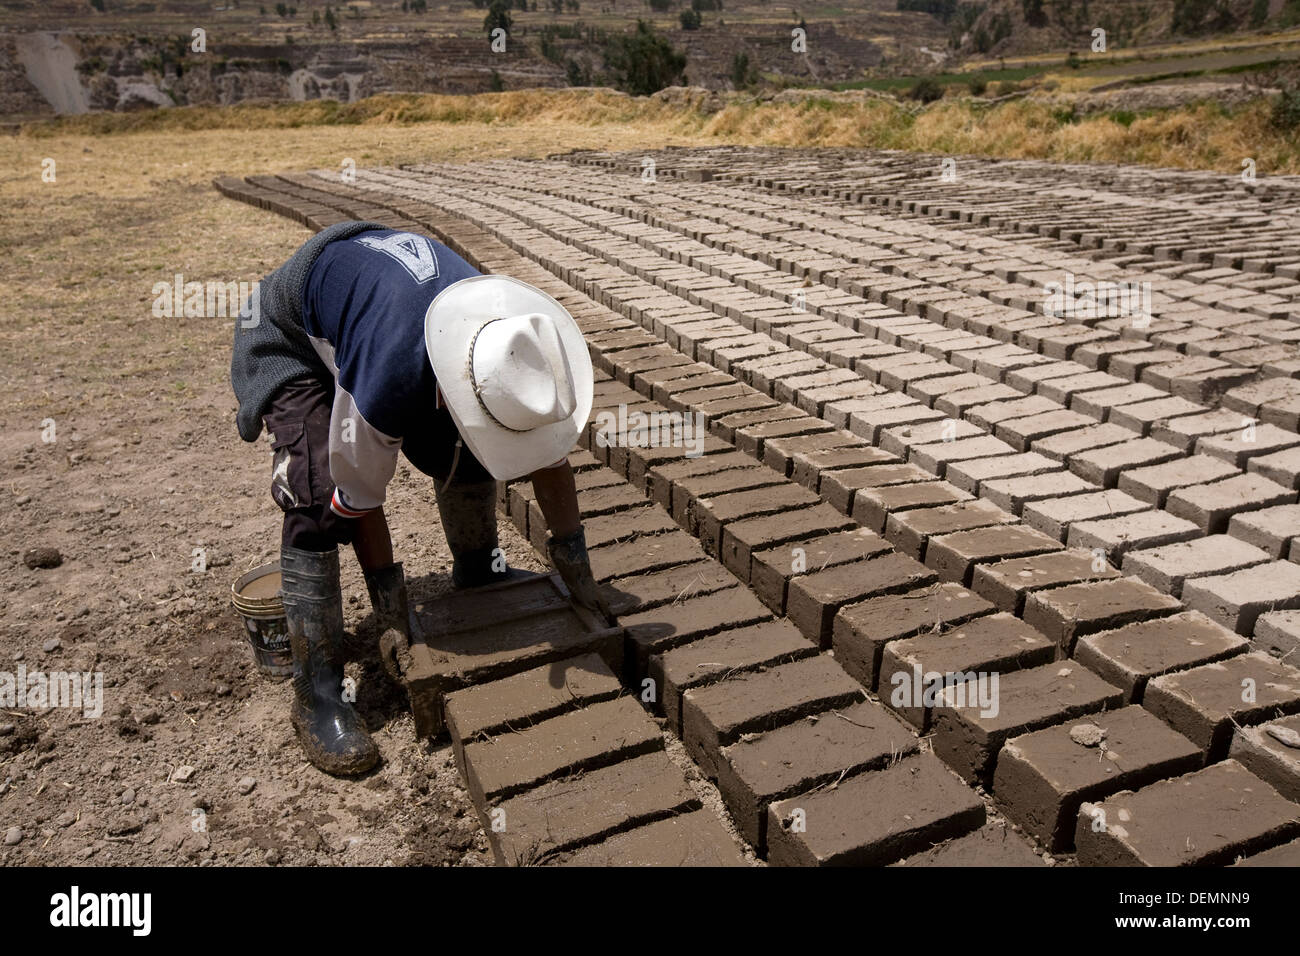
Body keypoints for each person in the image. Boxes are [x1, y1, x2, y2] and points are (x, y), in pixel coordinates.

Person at [231, 221, 604, 776]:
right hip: (288, 336)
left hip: (376, 325)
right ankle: (317, 693)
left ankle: (478, 569)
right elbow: (357, 496)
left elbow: (549, 458)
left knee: (471, 445)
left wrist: (578, 574)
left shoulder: (509, 342)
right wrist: (393, 617)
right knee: (317, 500)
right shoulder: (392, 377)